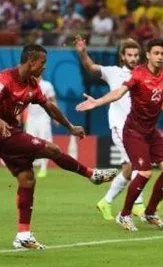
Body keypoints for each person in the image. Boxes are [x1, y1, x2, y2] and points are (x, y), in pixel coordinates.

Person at [76, 39, 163, 232]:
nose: (160, 57)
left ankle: (150, 212)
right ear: (149, 55)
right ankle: (124, 214)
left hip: (150, 132)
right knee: (143, 172)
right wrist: (97, 102)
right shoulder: (138, 74)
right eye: (156, 53)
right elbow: (118, 92)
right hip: (133, 131)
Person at [0, 44, 118, 250]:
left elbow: (49, 106)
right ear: (31, 62)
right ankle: (92, 175)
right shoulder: (5, 79)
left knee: (27, 179)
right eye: (42, 63)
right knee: (52, 149)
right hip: (5, 134)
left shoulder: (32, 84)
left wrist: (70, 127)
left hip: (10, 134)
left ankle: (23, 234)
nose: (44, 67)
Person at [74, 36, 163, 221]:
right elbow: (91, 67)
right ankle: (135, 207)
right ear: (122, 57)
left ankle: (107, 202)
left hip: (142, 130)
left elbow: (160, 98)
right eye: (129, 55)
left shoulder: (145, 74)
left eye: (135, 55)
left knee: (131, 167)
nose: (133, 58)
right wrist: (83, 52)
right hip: (121, 127)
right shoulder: (114, 72)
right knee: (139, 167)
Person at [25, 77, 56, 178]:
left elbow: (53, 101)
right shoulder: (27, 84)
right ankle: (30, 168)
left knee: (44, 143)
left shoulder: (47, 85)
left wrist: (55, 117)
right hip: (31, 119)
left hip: (44, 118)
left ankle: (43, 167)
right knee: (29, 143)